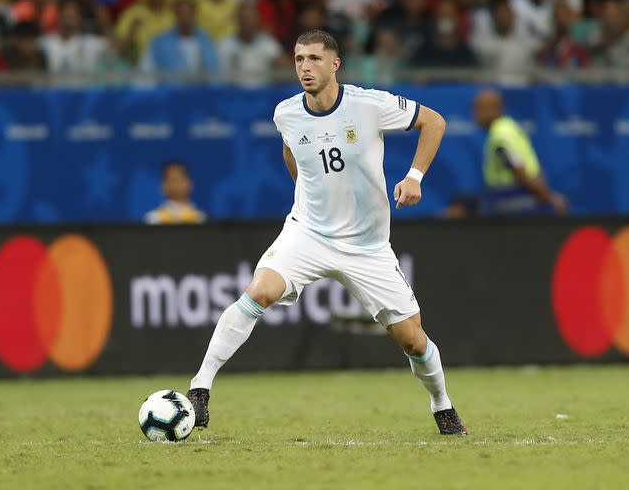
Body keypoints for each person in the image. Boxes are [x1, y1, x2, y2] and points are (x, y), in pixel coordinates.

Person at [186, 29, 467, 436]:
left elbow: (434, 121)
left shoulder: (369, 104)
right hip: (309, 234)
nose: (305, 67)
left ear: (335, 64)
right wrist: (306, 195)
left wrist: (414, 176)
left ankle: (442, 404)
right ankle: (200, 388)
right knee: (259, 292)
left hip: (367, 245)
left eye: (314, 59)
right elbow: (290, 150)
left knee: (413, 340)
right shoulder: (286, 113)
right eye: (299, 59)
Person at [473, 89, 568, 215]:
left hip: (512, 201)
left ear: (496, 109)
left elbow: (519, 170)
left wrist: (551, 198)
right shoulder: (509, 127)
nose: (475, 114)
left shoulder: (501, 137)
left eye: (480, 109)